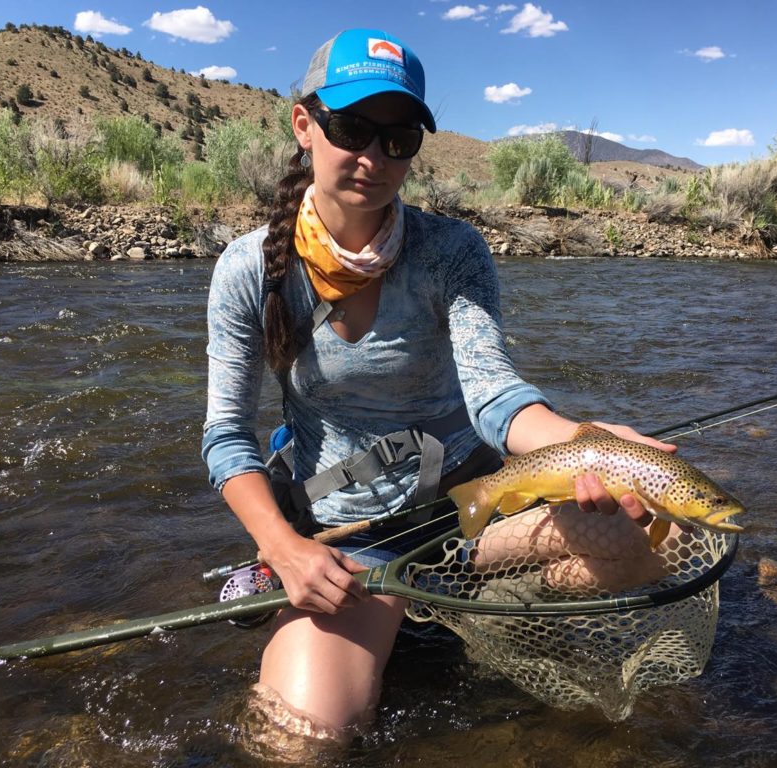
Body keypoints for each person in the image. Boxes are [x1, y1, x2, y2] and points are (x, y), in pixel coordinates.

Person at [202, 27, 675, 743]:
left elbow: (495, 398)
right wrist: (285, 546)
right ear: (304, 124)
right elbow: (226, 437)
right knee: (298, 740)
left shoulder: (453, 252)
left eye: (398, 139)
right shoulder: (247, 271)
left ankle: (496, 603)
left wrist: (589, 446)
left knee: (637, 548)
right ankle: (435, 610)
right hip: (352, 538)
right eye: (353, 127)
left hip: (472, 510)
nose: (373, 155)